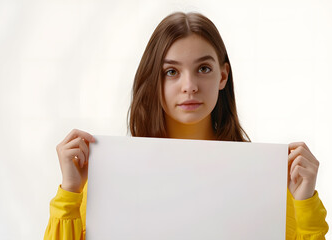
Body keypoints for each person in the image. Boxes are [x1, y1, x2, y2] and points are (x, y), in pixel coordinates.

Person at [44, 12, 329, 239]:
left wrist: (304, 204)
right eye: (171, 72)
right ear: (154, 79)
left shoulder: (267, 179)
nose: (189, 86)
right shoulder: (112, 173)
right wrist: (70, 191)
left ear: (222, 76)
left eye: (203, 69)